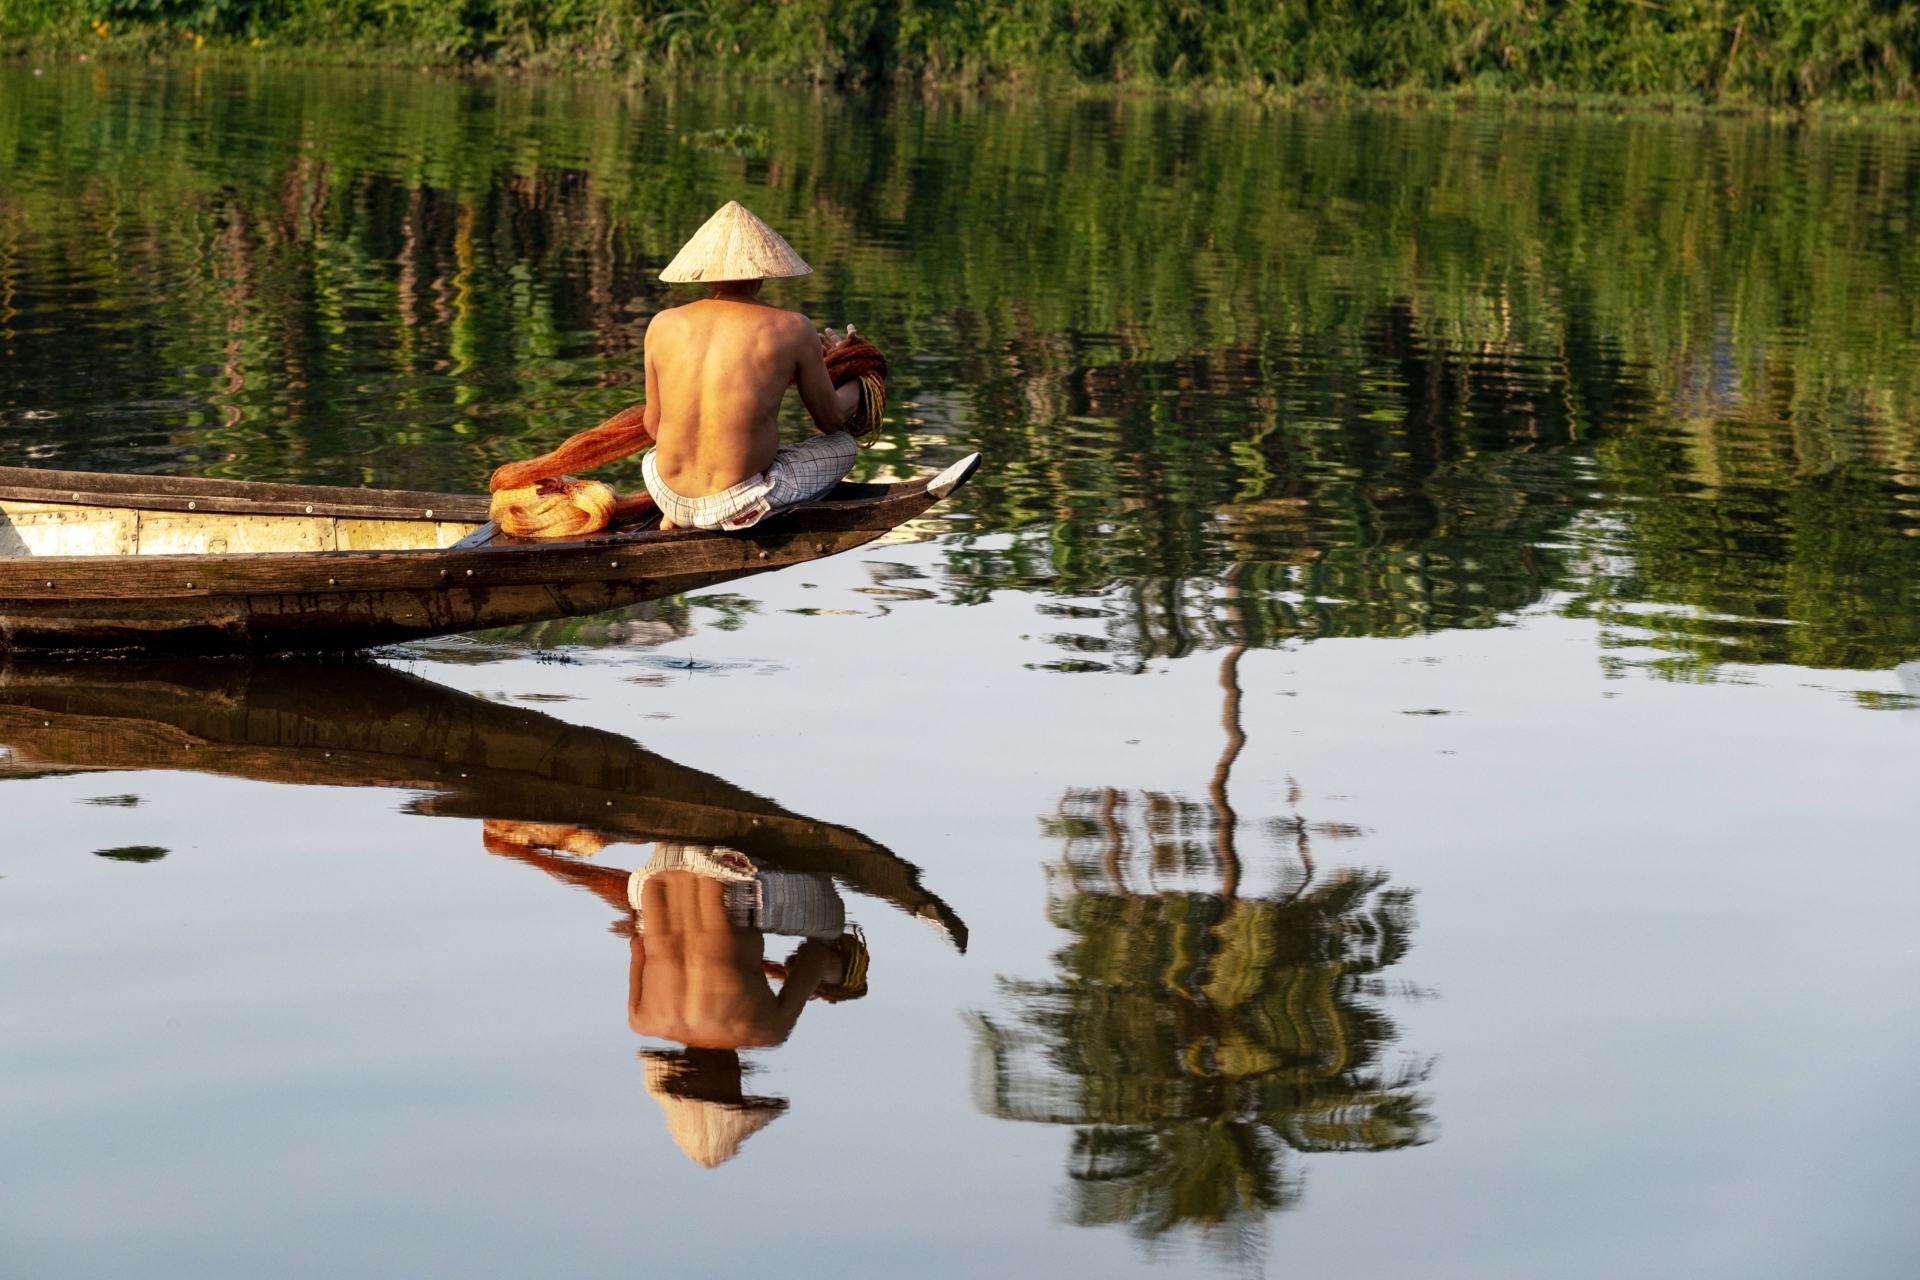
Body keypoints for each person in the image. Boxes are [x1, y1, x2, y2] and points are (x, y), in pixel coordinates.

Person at [639, 201, 865, 532]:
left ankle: (676, 516)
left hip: (665, 493)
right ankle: (725, 512)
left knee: (655, 455)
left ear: (705, 272)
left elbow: (654, 427)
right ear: (763, 271)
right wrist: (860, 373)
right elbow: (831, 421)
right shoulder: (792, 327)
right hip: (736, 505)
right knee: (843, 447)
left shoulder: (661, 323)